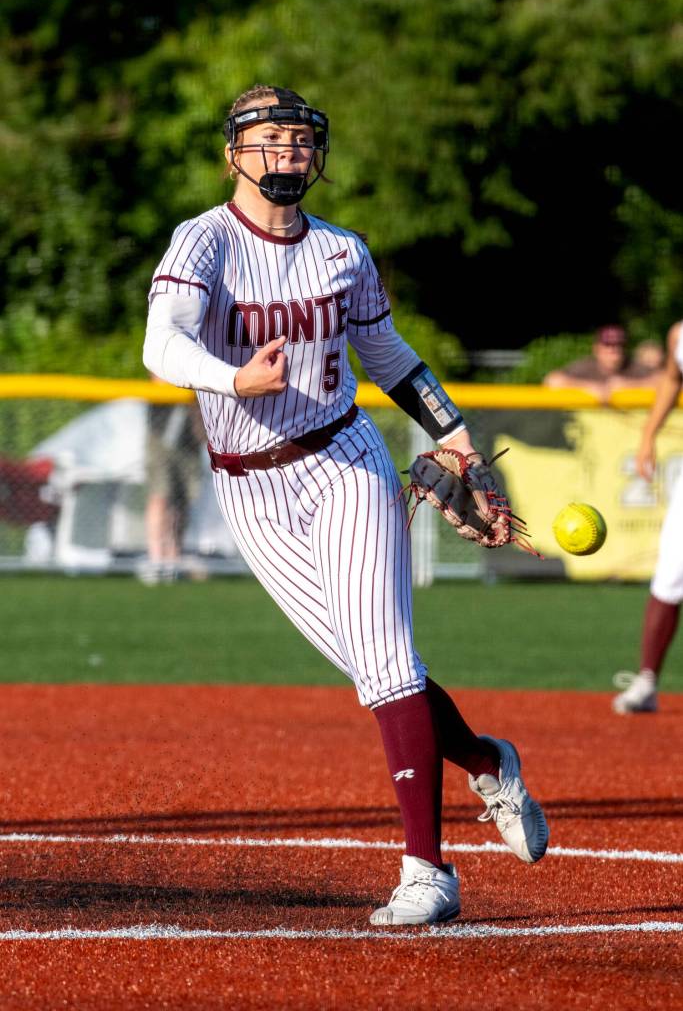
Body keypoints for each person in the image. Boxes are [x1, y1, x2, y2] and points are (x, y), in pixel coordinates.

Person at [142, 84, 548, 925]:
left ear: (316, 156)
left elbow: (388, 355)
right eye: (267, 138)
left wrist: (457, 435)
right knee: (372, 667)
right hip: (248, 487)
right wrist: (232, 377)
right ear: (232, 155)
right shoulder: (204, 240)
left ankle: (426, 872)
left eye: (298, 139)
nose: (285, 152)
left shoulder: (342, 250)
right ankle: (484, 758)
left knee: (388, 657)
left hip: (343, 459)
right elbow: (161, 343)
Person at [613, 321, 683, 713]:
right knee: (670, 573)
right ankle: (647, 681)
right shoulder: (679, 334)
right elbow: (673, 379)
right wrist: (648, 436)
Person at [140, 379, 204, 584]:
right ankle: (157, 558)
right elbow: (158, 376)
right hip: (161, 436)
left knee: (183, 500)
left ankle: (173, 558)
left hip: (189, 438)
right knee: (160, 495)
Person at [544, 324, 662, 401]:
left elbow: (665, 381)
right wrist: (590, 387)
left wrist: (629, 385)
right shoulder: (586, 366)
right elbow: (552, 380)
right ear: (596, 349)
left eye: (618, 344)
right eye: (608, 344)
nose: (614, 349)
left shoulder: (632, 365)